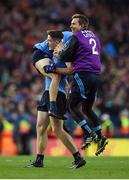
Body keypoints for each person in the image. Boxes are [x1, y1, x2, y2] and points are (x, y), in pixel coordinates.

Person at [44, 14, 108, 156]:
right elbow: (85, 53)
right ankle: (100, 136)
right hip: (96, 76)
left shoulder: (76, 37)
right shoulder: (94, 37)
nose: (71, 26)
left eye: (74, 24)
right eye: (71, 23)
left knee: (71, 106)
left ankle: (89, 134)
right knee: (87, 108)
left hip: (83, 75)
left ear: (82, 25)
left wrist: (57, 56)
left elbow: (64, 56)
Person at [27, 30, 86, 168]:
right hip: (48, 92)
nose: (47, 43)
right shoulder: (54, 53)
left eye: (49, 40)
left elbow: (64, 73)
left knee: (57, 130)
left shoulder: (62, 55)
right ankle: (39, 160)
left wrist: (53, 66)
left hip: (56, 94)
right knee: (40, 126)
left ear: (58, 42)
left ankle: (78, 157)